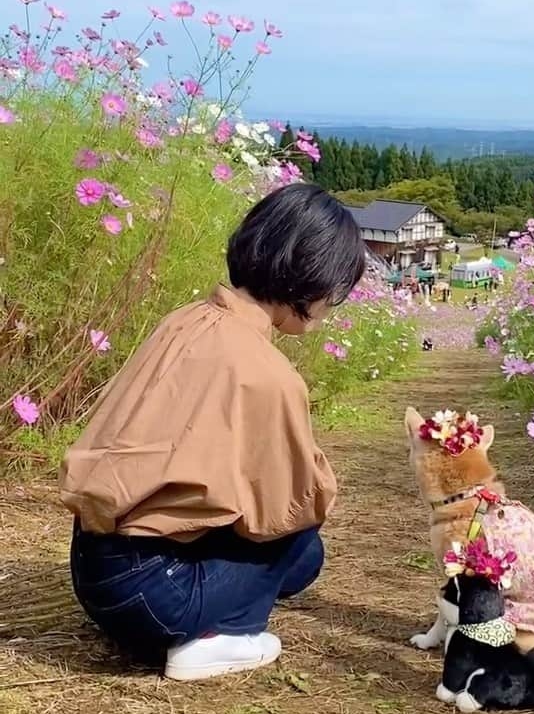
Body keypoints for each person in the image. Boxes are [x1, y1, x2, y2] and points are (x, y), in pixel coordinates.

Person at [60, 184, 366, 682]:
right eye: (335, 290)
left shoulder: (183, 321)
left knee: (302, 556)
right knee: (301, 536)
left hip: (95, 571)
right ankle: (220, 636)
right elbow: (292, 508)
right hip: (157, 598)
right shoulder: (267, 373)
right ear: (310, 279)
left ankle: (201, 613)